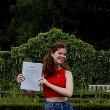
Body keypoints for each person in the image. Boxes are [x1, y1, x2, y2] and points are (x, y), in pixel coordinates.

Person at [16, 42, 74, 110]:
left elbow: (69, 93)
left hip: (67, 106)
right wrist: (23, 84)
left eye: (64, 54)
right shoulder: (42, 73)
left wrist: (48, 84)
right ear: (52, 54)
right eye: (60, 53)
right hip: (51, 107)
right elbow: (31, 94)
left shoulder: (67, 73)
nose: (63, 56)